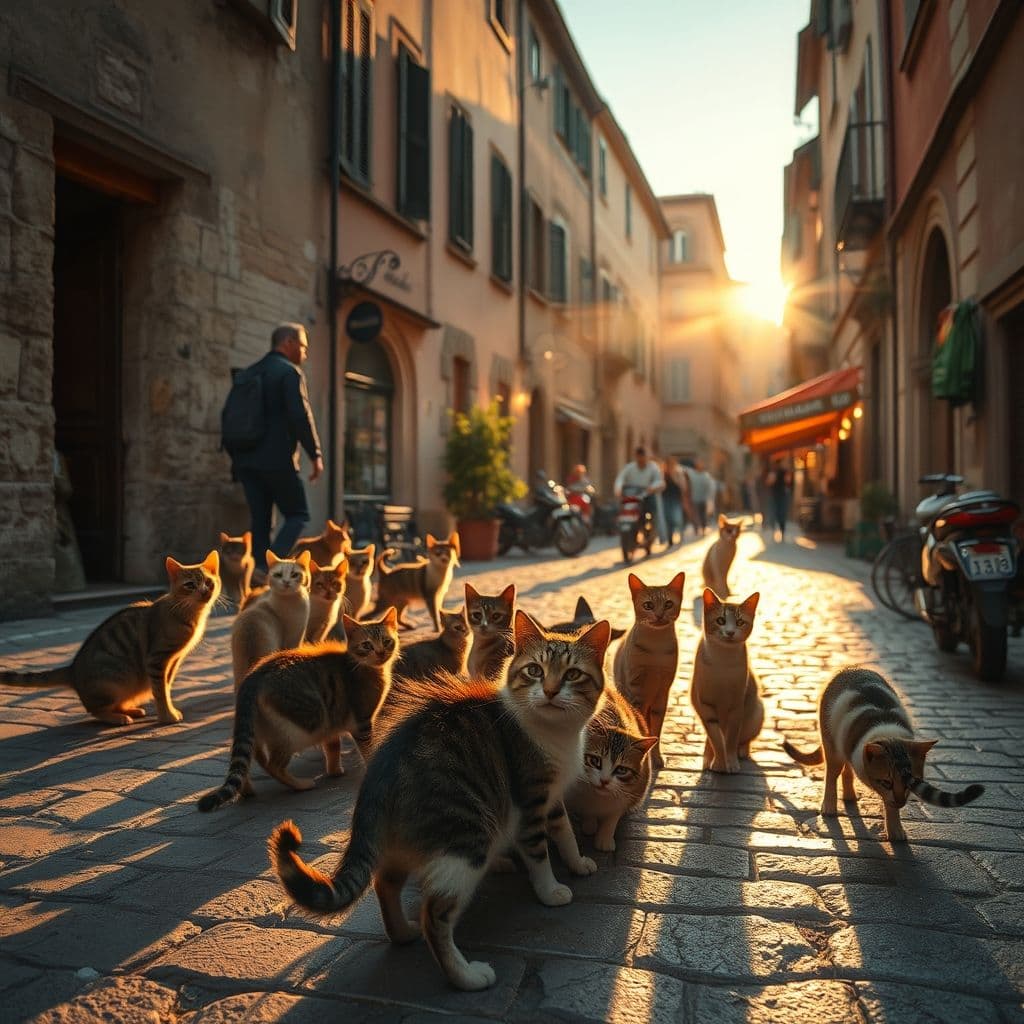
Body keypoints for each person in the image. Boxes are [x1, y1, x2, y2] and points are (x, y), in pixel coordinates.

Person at [230, 323, 324, 583]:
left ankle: (258, 573)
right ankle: (267, 566)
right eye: (303, 346)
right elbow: (299, 416)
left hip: (246, 460)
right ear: (289, 343)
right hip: (277, 458)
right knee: (298, 514)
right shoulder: (288, 372)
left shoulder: (248, 373)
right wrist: (315, 453)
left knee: (261, 520)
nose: (305, 353)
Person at [614, 446, 666, 544]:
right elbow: (620, 478)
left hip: (647, 495)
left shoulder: (653, 467)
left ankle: (654, 534)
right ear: (636, 457)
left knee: (654, 512)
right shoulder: (629, 467)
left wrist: (652, 487)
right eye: (639, 457)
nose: (641, 460)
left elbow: (659, 481)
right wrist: (618, 488)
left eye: (643, 457)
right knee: (623, 509)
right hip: (632, 495)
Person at [661, 456, 686, 545]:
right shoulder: (662, 473)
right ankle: (669, 538)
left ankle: (681, 535)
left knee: (677, 518)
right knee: (667, 519)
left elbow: (683, 486)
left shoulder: (678, 472)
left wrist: (673, 476)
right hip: (665, 498)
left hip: (675, 499)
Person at [766, 458, 793, 541]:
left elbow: (769, 483)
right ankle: (781, 531)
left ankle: (777, 530)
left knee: (776, 513)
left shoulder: (774, 472)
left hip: (776, 496)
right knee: (781, 513)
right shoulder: (783, 472)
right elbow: (788, 482)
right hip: (780, 496)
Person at [688, 458, 715, 536]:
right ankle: (696, 528)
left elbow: (710, 487)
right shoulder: (692, 474)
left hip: (703, 498)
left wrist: (709, 499)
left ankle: (703, 528)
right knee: (695, 515)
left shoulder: (706, 475)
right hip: (694, 498)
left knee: (703, 515)